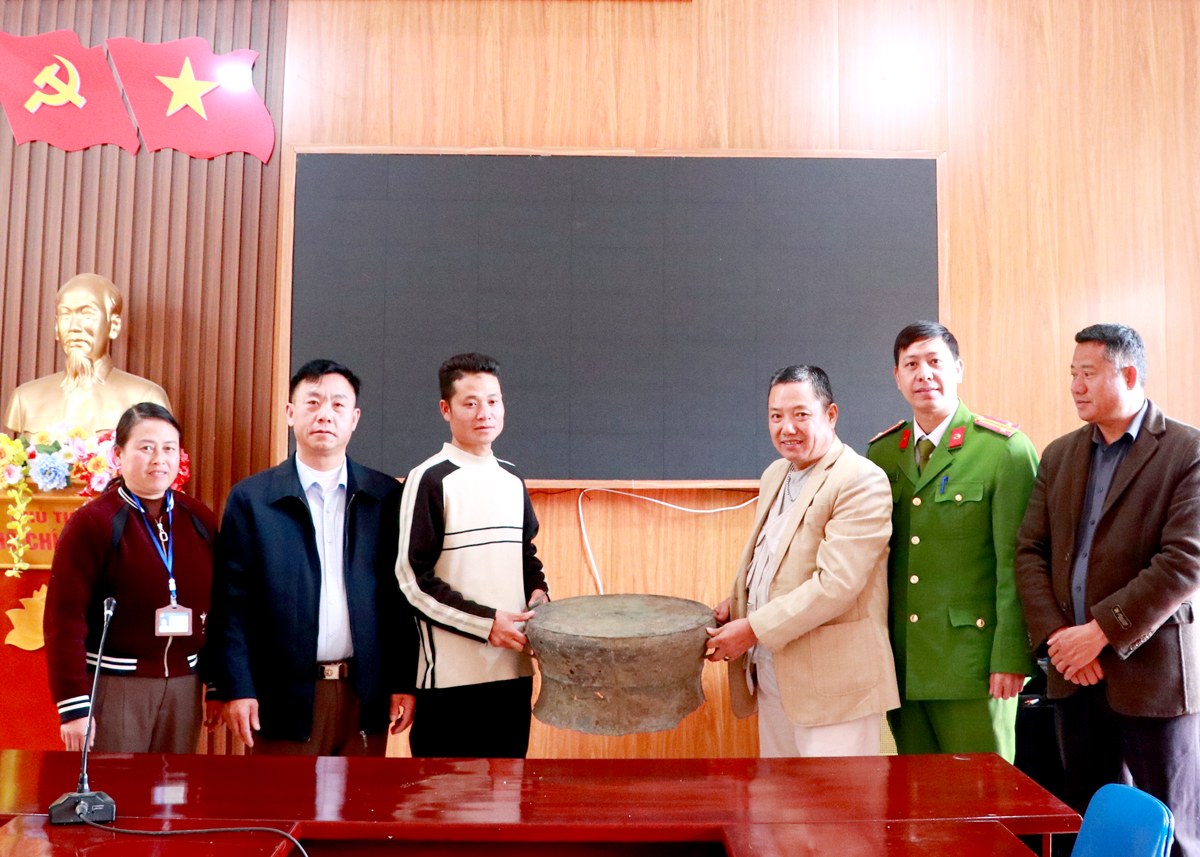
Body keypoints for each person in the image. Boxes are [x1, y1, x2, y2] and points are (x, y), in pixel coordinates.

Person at [1015, 324, 1200, 857]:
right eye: (1072, 373)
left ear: (1129, 374)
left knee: (1174, 830)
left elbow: (1184, 561)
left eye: (1088, 373)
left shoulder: (1186, 450)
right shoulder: (1059, 455)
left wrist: (1098, 633)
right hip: (1077, 677)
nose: (1075, 385)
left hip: (1154, 677)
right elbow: (1030, 553)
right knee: (1087, 822)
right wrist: (1060, 640)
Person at [210, 359, 416, 755]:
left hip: (363, 695)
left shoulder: (385, 497)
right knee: (281, 814)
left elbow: (399, 601)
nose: (325, 414)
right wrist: (237, 686)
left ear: (354, 418)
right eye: (313, 402)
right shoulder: (252, 499)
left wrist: (403, 682)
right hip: (279, 697)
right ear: (290, 413)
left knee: (358, 812)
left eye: (338, 405)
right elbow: (231, 606)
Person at [705, 365, 898, 757]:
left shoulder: (860, 479)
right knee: (778, 808)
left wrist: (753, 627)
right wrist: (741, 605)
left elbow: (836, 586)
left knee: (834, 813)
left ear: (831, 415)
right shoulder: (777, 473)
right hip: (774, 672)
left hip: (833, 685)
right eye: (776, 416)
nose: (786, 427)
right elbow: (774, 559)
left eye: (800, 414)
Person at [866, 321, 1037, 762]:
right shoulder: (883, 453)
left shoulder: (1004, 450)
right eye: (911, 364)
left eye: (935, 362)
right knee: (920, 804)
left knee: (985, 800)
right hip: (904, 662)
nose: (924, 374)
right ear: (897, 377)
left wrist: (1011, 655)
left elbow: (1021, 563)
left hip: (975, 665)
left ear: (958, 369)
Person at [396, 352, 549, 758]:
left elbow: (526, 556)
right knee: (445, 809)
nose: (485, 413)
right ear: (446, 409)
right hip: (450, 682)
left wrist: (540, 595)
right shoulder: (428, 478)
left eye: (493, 401)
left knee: (504, 805)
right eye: (470, 403)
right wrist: (486, 624)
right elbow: (412, 582)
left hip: (513, 672)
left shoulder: (512, 478)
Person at [43, 402, 216, 753]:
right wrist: (74, 706)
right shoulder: (93, 523)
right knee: (116, 795)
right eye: (146, 447)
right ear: (118, 454)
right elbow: (64, 619)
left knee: (172, 796)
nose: (159, 459)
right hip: (116, 685)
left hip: (185, 686)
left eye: (169, 449)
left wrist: (215, 686)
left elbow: (221, 610)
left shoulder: (198, 518)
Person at [4, 273, 171, 436]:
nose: (74, 327)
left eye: (87, 314)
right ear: (56, 327)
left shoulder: (146, 398)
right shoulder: (25, 398)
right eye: (65, 315)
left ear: (113, 325)